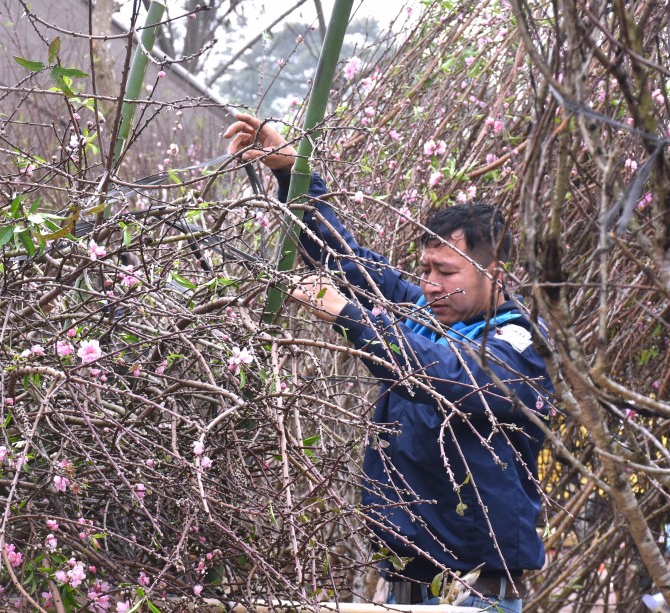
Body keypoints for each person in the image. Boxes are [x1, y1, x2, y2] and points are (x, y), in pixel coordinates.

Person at [224, 114, 554, 613]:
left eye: (447, 271)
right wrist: (294, 173)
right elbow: (350, 262)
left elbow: (444, 373)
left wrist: (349, 315)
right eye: (425, 269)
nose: (430, 284)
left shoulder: (519, 345)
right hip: (408, 581)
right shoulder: (423, 314)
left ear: (496, 272)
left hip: (476, 592)